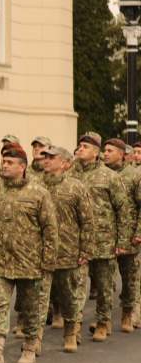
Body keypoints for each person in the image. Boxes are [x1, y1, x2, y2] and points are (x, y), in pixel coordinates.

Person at [0, 143, 56, 363]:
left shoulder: (39, 193)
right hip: (1, 260)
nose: (4, 166)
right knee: (0, 304)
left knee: (30, 307)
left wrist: (48, 261)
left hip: (30, 261)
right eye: (3, 162)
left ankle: (30, 346)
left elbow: (50, 228)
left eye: (10, 163)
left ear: (22, 167)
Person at [70, 132, 129, 343]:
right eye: (79, 146)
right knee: (76, 285)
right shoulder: (71, 175)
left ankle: (103, 322)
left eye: (85, 147)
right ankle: (74, 326)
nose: (80, 149)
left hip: (103, 240)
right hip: (77, 241)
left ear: (96, 153)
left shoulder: (109, 177)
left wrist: (122, 241)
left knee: (104, 286)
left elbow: (123, 209)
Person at [38, 145, 93, 353]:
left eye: (52, 158)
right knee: (40, 298)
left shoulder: (76, 187)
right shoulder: (35, 185)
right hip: (41, 253)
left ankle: (71, 330)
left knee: (69, 297)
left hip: (68, 251)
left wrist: (85, 250)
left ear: (65, 163)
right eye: (45, 157)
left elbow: (87, 221)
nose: (47, 161)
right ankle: (35, 339)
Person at [102, 137, 141, 332]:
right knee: (105, 280)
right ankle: (104, 320)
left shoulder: (134, 175)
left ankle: (127, 312)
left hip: (128, 235)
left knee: (129, 279)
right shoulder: (101, 174)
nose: (105, 153)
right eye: (105, 150)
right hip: (105, 235)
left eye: (110, 151)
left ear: (122, 154)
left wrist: (139, 232)